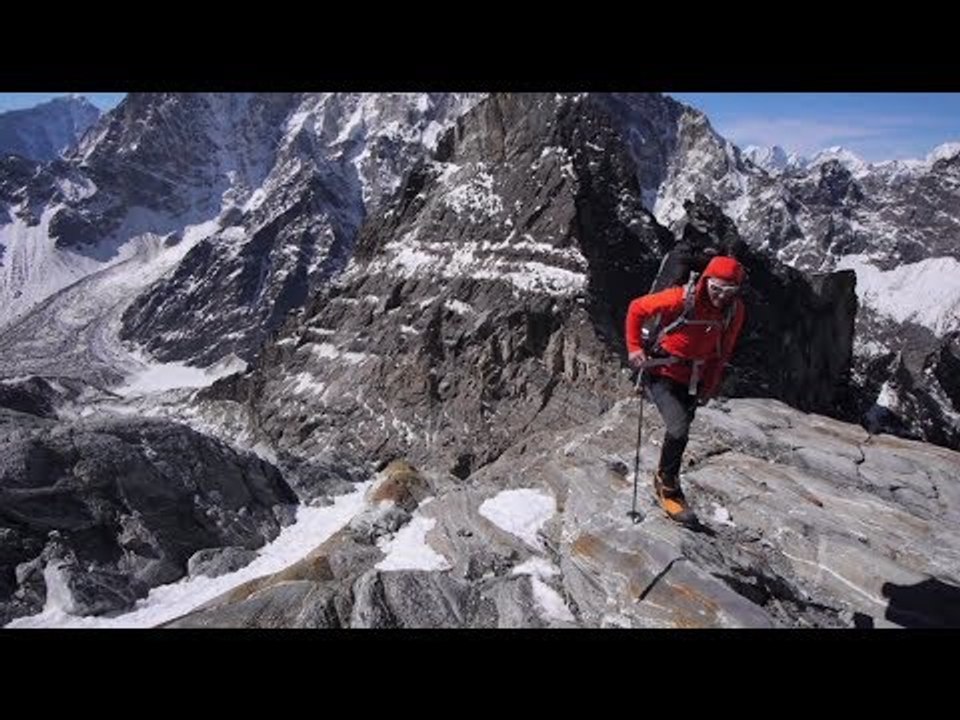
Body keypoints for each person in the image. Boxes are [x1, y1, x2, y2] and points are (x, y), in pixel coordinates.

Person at [624, 255, 746, 524]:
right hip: (661, 373)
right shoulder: (680, 299)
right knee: (678, 429)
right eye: (716, 289)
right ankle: (668, 486)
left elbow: (722, 351)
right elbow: (637, 308)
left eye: (729, 291)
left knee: (681, 431)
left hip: (693, 378)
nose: (721, 296)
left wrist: (710, 383)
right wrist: (634, 348)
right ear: (706, 282)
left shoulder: (733, 311)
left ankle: (664, 476)